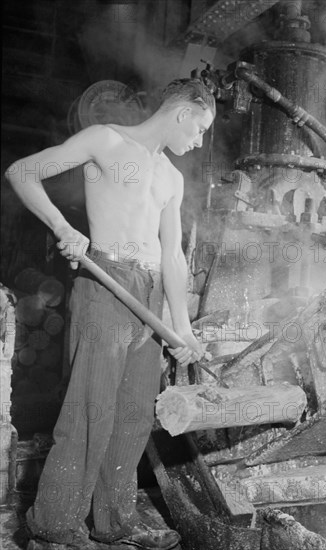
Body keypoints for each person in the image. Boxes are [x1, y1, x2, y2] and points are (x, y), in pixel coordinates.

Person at [6, 78, 216, 550]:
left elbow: (173, 255)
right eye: (201, 128)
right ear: (184, 111)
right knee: (89, 408)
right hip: (105, 279)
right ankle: (56, 527)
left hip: (150, 292)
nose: (200, 141)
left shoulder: (171, 177)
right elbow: (23, 171)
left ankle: (115, 523)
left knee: (132, 414)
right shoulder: (105, 138)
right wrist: (63, 227)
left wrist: (180, 326)